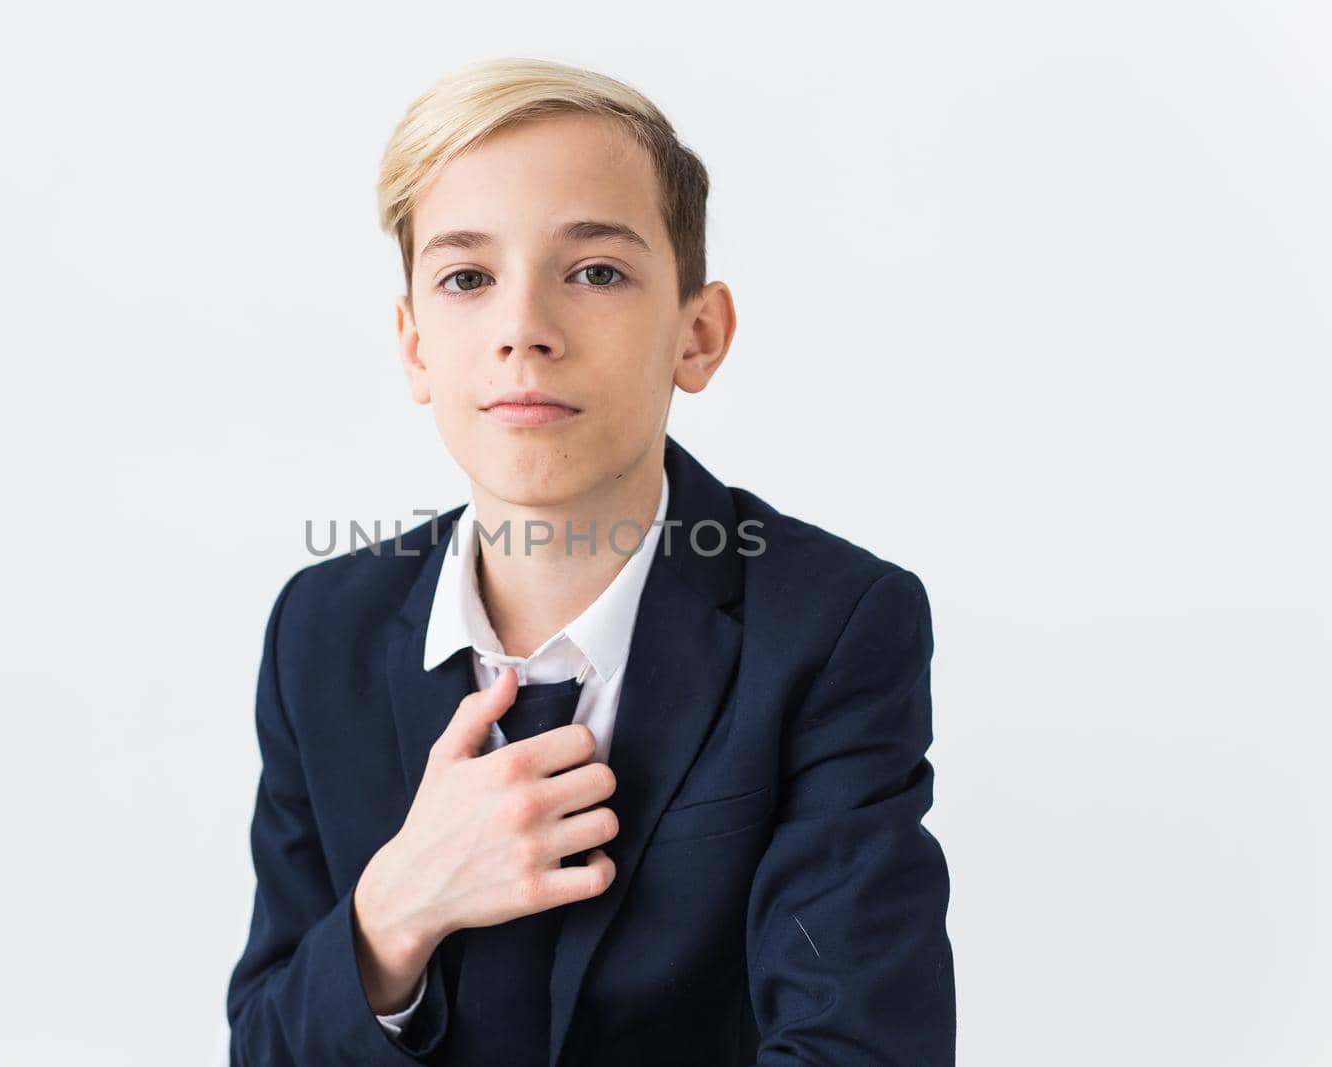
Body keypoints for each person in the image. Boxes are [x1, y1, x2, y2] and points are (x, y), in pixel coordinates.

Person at [225, 56, 955, 1066]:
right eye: (466, 278)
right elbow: (264, 1047)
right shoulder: (322, 628)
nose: (524, 330)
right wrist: (395, 909)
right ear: (414, 346)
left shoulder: (830, 625)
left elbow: (857, 1046)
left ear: (696, 336)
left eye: (595, 271)